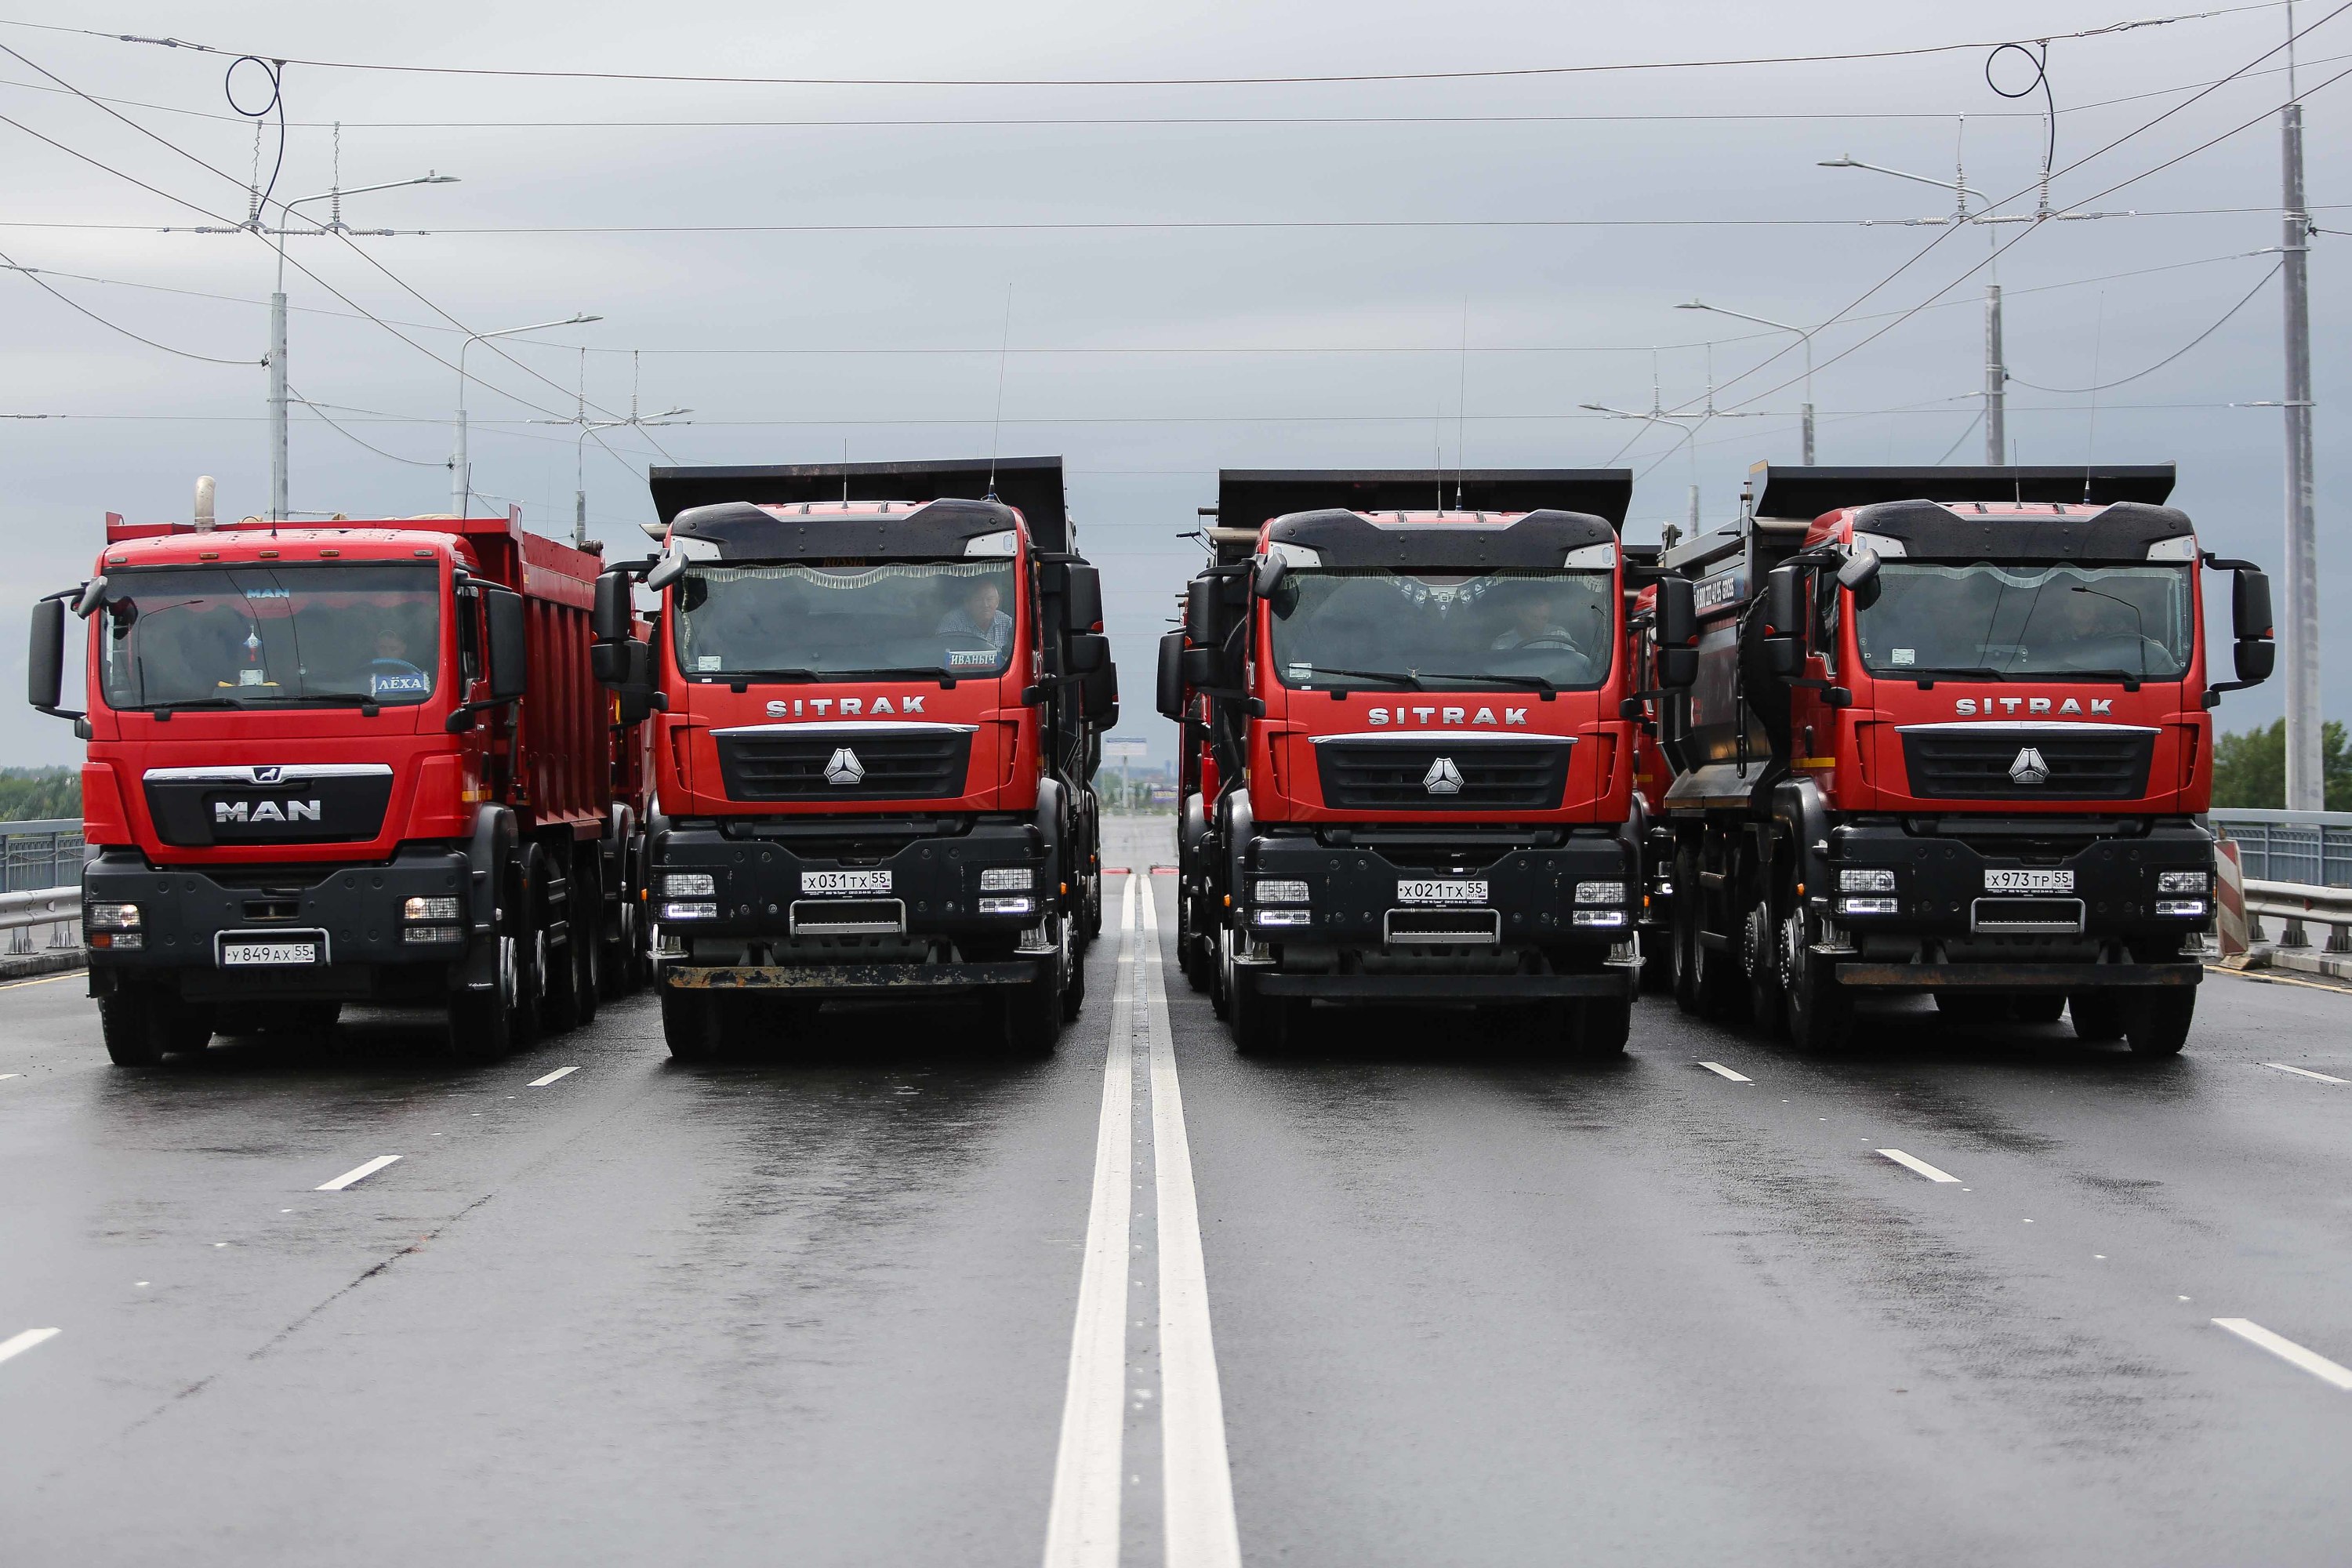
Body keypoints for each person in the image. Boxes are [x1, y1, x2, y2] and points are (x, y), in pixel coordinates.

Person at [936, 576, 1014, 659]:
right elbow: (939, 655)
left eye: (990, 599)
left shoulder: (1007, 622)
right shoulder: (952, 622)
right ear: (967, 602)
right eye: (979, 600)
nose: (985, 605)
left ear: (997, 602)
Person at [363, 626, 434, 700]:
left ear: (403, 649)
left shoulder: (415, 677)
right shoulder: (365, 675)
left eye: (393, 649)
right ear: (376, 647)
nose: (387, 653)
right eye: (382, 648)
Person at [1491, 589, 1574, 650]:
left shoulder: (1560, 637)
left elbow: (1572, 667)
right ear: (1521, 615)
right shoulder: (1503, 644)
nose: (1539, 624)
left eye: (1544, 618)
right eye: (1534, 618)